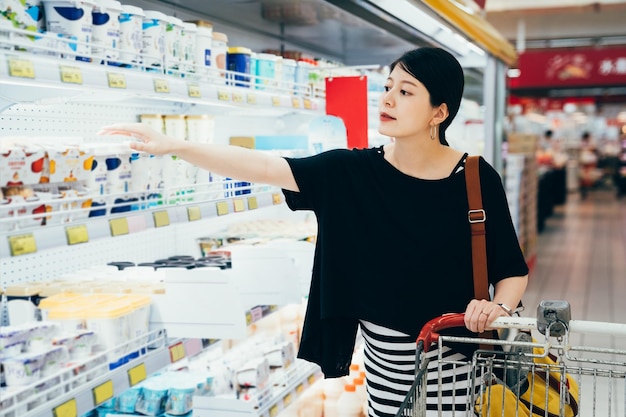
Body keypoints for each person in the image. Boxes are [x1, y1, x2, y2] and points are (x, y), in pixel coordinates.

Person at [99, 47, 528, 417]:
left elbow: (511, 270)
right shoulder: (351, 172)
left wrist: (499, 309)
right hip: (383, 369)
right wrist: (177, 146)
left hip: (455, 362)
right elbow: (267, 168)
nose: (389, 99)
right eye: (388, 87)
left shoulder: (474, 178)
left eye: (406, 91)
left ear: (440, 112)